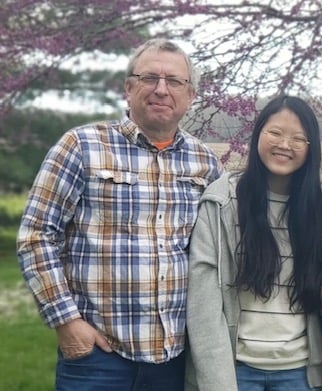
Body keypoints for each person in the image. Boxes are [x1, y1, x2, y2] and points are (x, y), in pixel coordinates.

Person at [16, 38, 222, 391]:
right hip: (97, 357)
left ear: (190, 96)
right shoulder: (82, 146)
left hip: (174, 358)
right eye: (149, 78)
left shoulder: (205, 164)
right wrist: (66, 322)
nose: (161, 89)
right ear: (128, 89)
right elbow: (36, 235)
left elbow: (216, 251)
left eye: (174, 81)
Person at [185, 95, 322, 391]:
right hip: (236, 371)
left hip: (300, 373)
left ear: (310, 148)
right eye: (275, 133)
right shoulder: (221, 202)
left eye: (298, 138)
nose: (284, 145)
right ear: (257, 136)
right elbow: (204, 303)